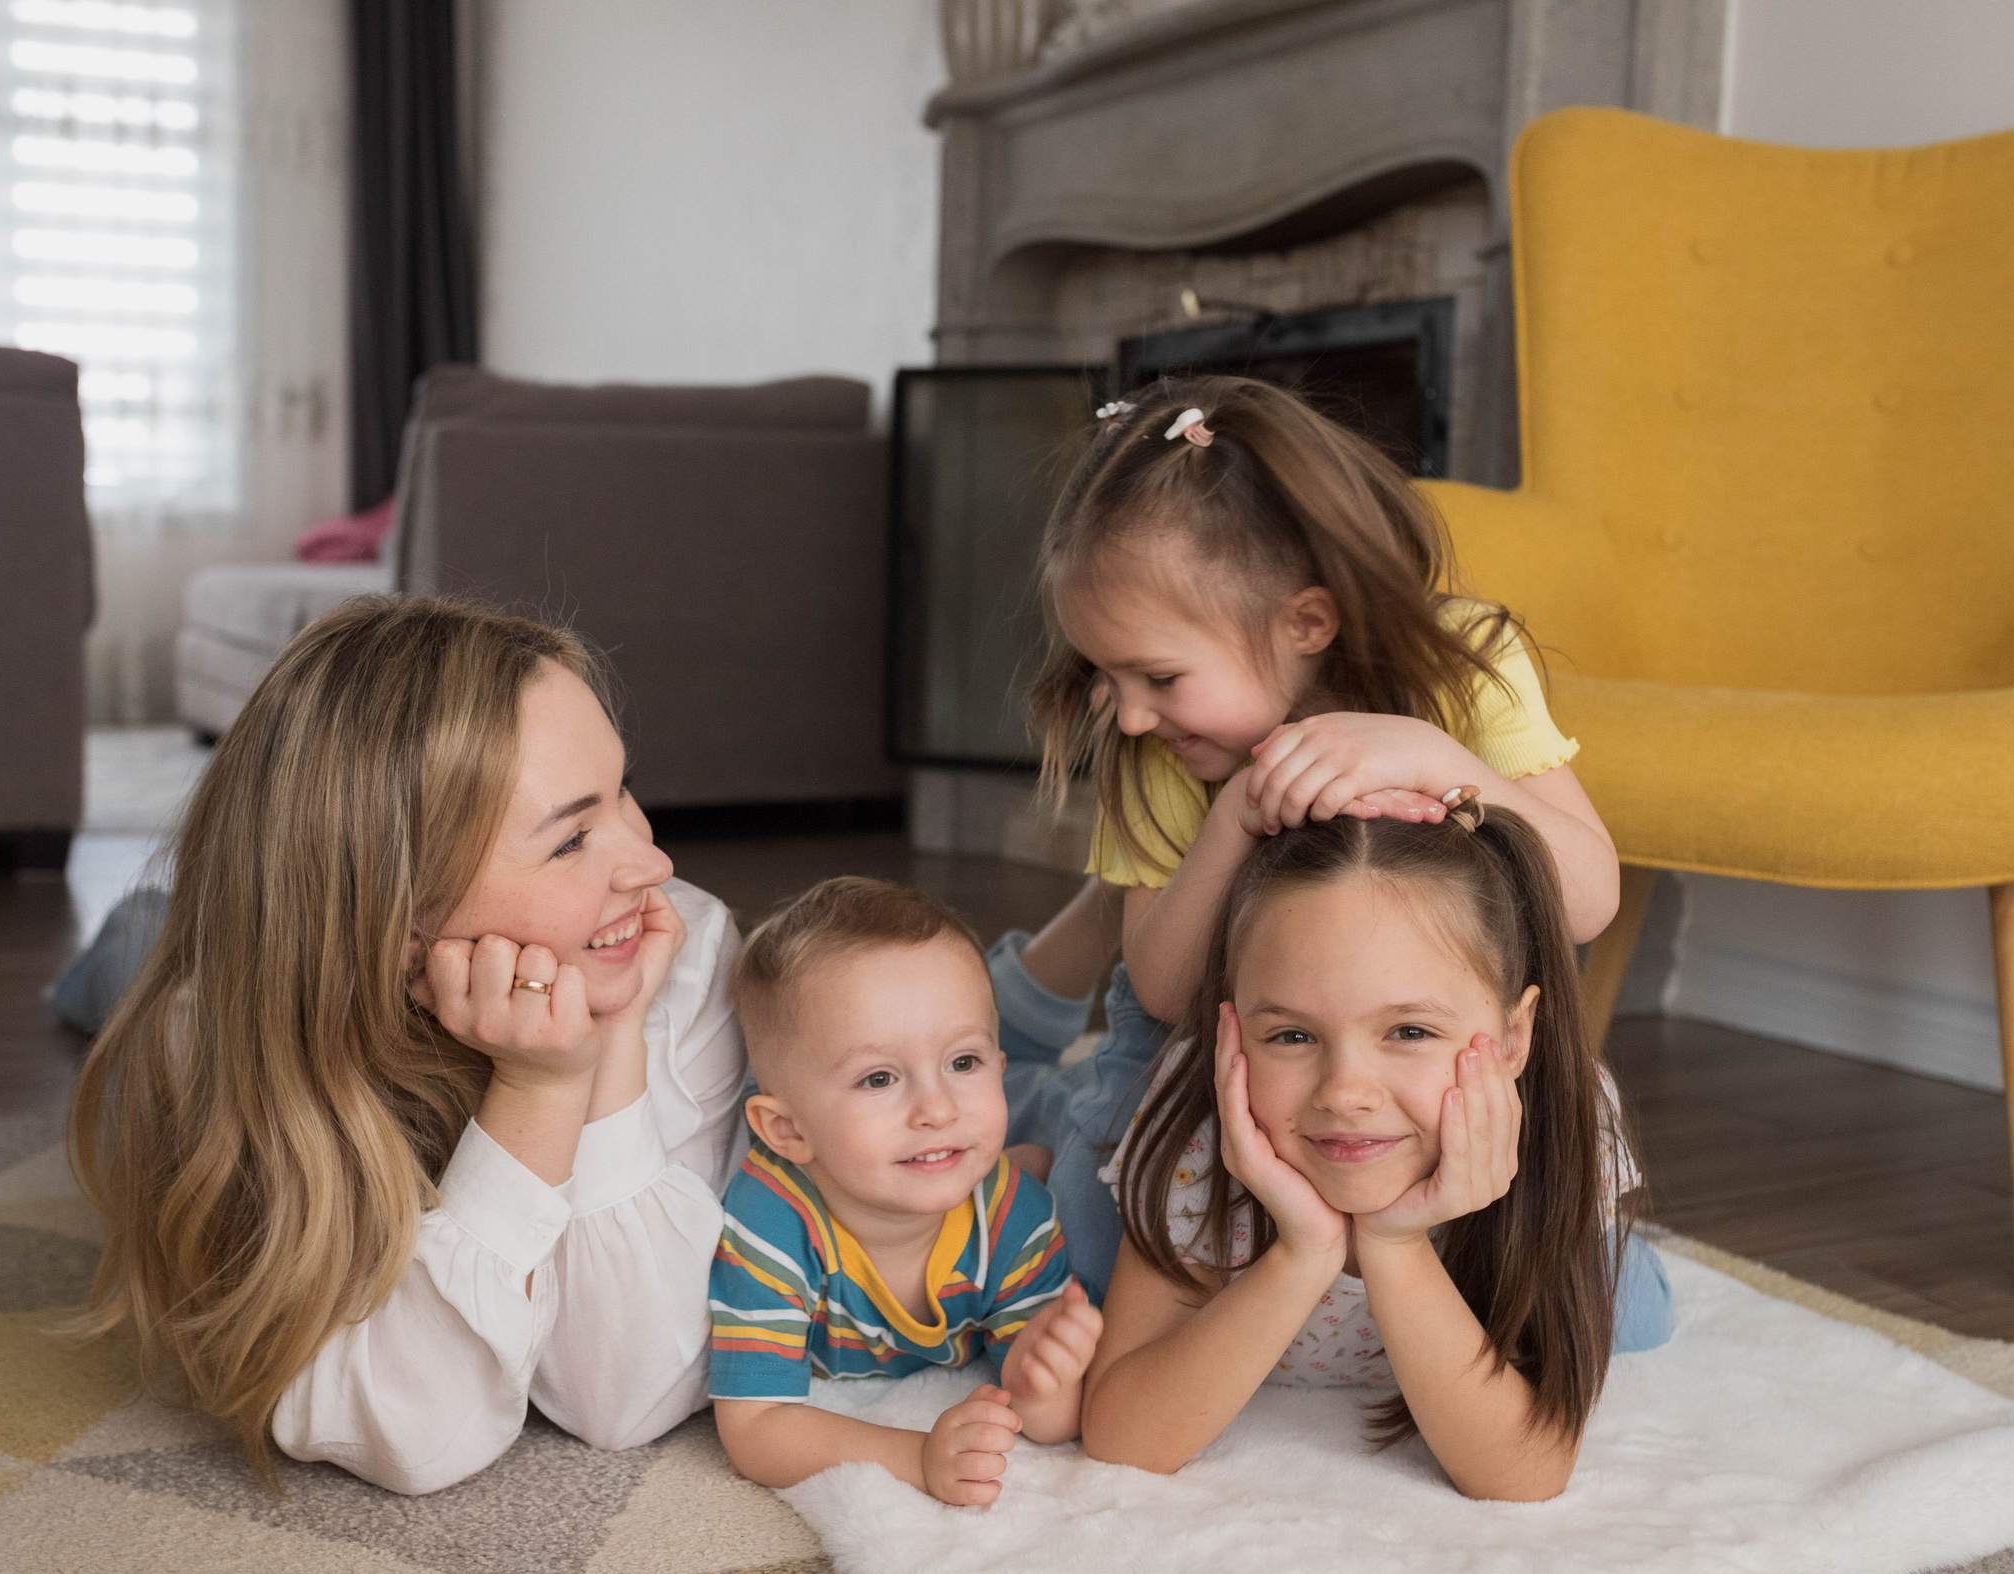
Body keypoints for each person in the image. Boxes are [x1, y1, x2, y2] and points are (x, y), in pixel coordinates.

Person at [69, 594, 751, 1495]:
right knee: (129, 963)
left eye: (623, 788)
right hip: (236, 971)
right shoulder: (213, 1036)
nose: (652, 863)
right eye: (572, 838)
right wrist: (536, 1095)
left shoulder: (687, 952)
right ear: (399, 926)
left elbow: (624, 1398)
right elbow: (413, 1433)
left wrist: (606, 1043)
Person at [990, 374, 1620, 1299]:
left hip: (1420, 1037)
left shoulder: (1462, 666)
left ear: (1307, 623)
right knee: (1085, 1260)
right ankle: (1046, 1106)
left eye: (1159, 676)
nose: (1126, 715)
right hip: (1214, 1033)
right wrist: (1237, 814)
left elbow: (1589, 899)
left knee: (1618, 1309)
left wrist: (1432, 757)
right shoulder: (1164, 743)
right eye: (1106, 676)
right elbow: (1163, 988)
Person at [1080, 800, 1654, 1502]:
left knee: (1641, 1311)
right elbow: (1121, 1437)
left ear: (1513, 1037)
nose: (1345, 1092)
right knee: (1073, 1213)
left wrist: (1393, 1242)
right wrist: (1303, 1252)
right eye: (1292, 1035)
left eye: (1410, 1031)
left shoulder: (1561, 1125)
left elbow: (1526, 1473)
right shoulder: (1204, 1131)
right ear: (1231, 1031)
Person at [708, 878, 1104, 1507]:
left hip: (1017, 1177)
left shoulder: (1013, 1215)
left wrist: (1044, 1376)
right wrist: (915, 1456)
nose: (937, 1109)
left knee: (1039, 1166)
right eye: (879, 1078)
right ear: (788, 1130)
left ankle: (1032, 1149)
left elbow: (1052, 1426)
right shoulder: (770, 1219)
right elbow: (754, 1427)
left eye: (963, 1063)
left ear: (999, 1066)